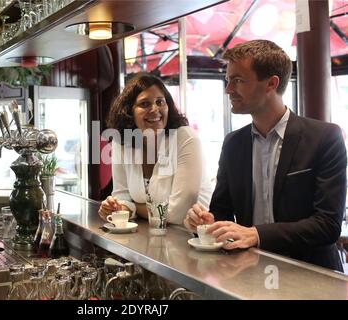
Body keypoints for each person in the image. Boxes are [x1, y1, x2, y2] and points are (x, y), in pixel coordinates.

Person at [184, 40, 347, 271]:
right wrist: (207, 222)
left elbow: (328, 225)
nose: (228, 89)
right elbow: (221, 211)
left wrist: (256, 234)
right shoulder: (233, 143)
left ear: (271, 83)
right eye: (228, 80)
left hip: (312, 274)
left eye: (237, 80)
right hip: (251, 272)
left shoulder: (325, 137)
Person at [98, 73, 213, 225]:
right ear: (128, 111)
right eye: (144, 104)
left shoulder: (185, 138)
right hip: (152, 236)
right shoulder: (122, 142)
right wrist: (113, 208)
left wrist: (134, 208)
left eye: (160, 102)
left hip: (193, 238)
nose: (155, 109)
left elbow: (178, 214)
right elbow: (122, 196)